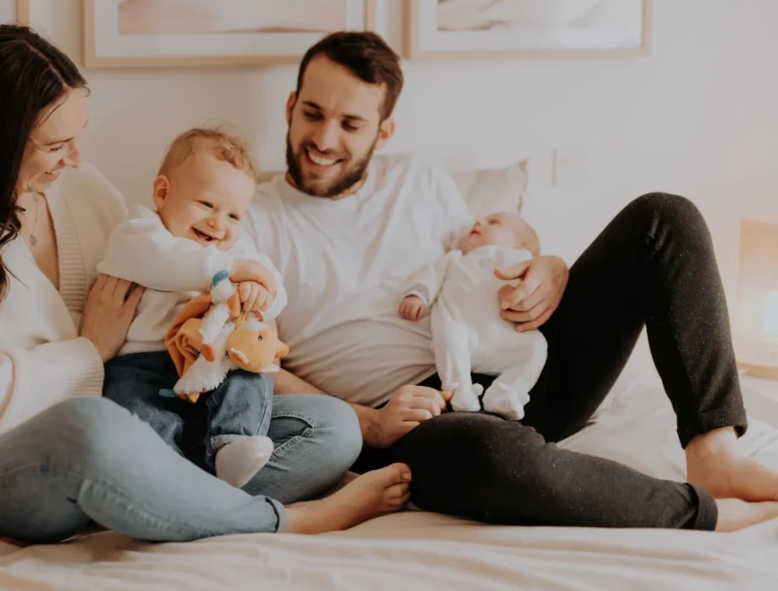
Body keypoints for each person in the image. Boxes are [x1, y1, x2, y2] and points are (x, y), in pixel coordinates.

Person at [0, 24, 411, 546]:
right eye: (58, 144)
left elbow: (170, 269)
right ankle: (282, 523)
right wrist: (89, 352)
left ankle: (145, 503)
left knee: (332, 428)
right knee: (91, 430)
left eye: (78, 138)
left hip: (125, 431)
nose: (77, 159)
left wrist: (234, 313)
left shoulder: (77, 190)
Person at [244, 29, 778, 532]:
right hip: (412, 417)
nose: (323, 138)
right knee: (489, 456)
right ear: (291, 107)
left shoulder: (417, 179)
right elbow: (250, 358)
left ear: (383, 132)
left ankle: (713, 453)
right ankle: (699, 514)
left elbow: (489, 254)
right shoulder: (250, 217)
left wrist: (549, 267)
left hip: (523, 364)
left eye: (350, 124)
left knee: (664, 218)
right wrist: (366, 421)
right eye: (312, 113)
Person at [98, 128, 288, 488]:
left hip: (213, 362)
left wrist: (260, 291)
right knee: (133, 411)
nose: (219, 224)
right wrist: (231, 270)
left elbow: (272, 283)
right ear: (162, 192)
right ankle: (165, 476)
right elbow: (169, 262)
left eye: (234, 216)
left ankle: (233, 444)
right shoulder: (139, 232)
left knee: (251, 375)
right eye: (206, 205)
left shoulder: (237, 250)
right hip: (142, 366)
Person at [399, 212, 546, 420]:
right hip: (463, 328)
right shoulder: (455, 259)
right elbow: (431, 276)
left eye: (493, 223)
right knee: (448, 334)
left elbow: (534, 288)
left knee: (536, 347)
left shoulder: (519, 260)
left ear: (518, 246)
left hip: (505, 336)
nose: (478, 223)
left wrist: (520, 293)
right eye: (481, 220)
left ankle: (506, 391)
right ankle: (460, 390)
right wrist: (419, 295)